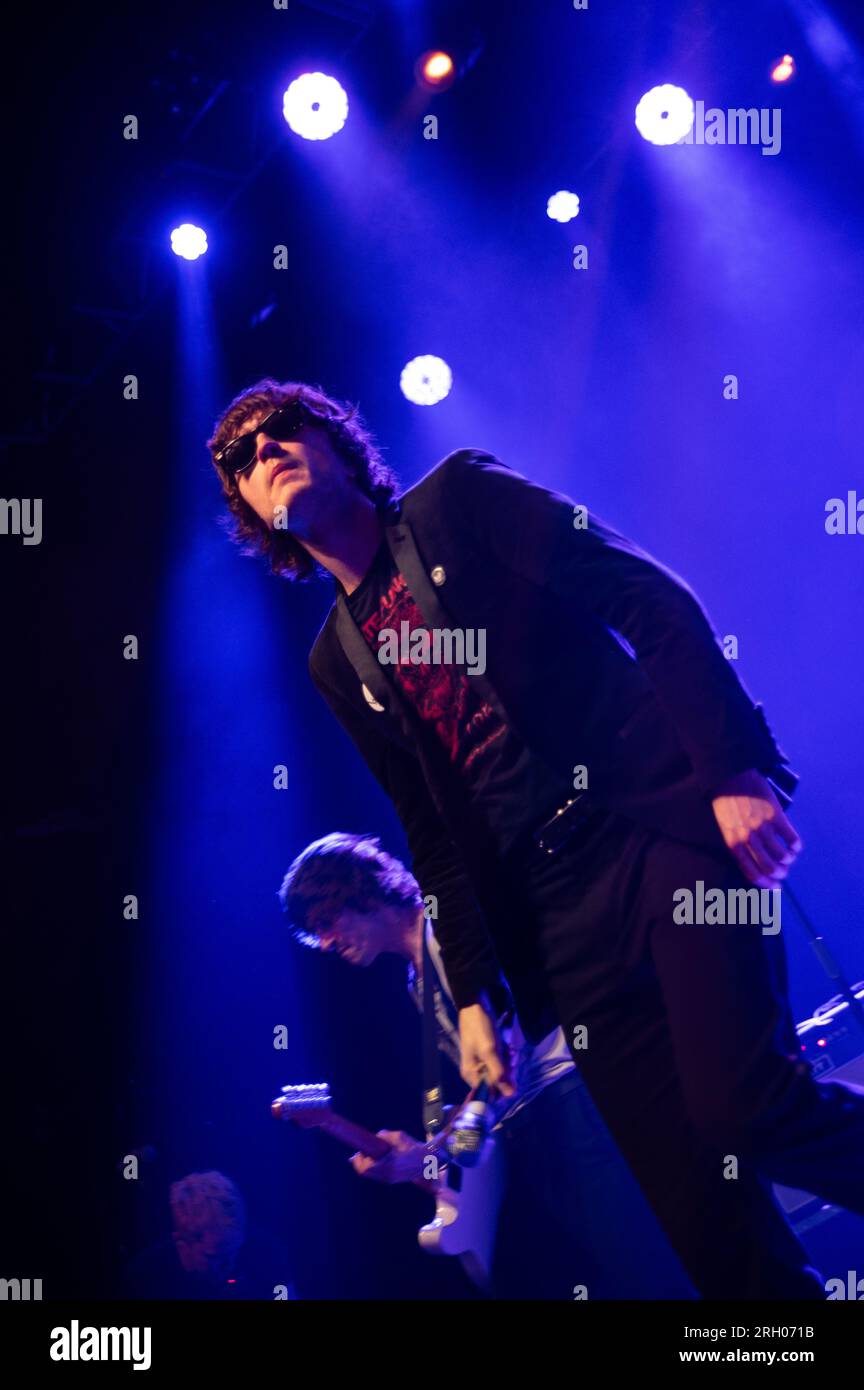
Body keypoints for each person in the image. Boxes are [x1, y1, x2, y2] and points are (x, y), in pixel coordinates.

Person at [206, 378, 864, 1298]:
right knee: (695, 1211)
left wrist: (728, 770)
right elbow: (429, 829)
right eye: (241, 456)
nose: (264, 450)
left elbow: (646, 597)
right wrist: (473, 993)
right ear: (246, 509)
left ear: (340, 444)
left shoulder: (457, 500)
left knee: (745, 1103)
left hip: (652, 829)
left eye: (283, 429)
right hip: (554, 924)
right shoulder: (333, 659)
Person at [278, 830, 694, 1298]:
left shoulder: (451, 935)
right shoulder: (417, 982)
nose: (326, 942)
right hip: (534, 1123)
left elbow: (505, 1061)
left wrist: (434, 1152)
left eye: (324, 920)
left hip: (571, 1098)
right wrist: (431, 1152)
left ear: (356, 890)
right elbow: (483, 1092)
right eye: (316, 935)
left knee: (652, 1265)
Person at [125, 1170, 296, 1300]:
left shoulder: (267, 1252)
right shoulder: (147, 1277)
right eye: (214, 1257)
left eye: (235, 1250)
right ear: (182, 1245)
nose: (230, 1264)